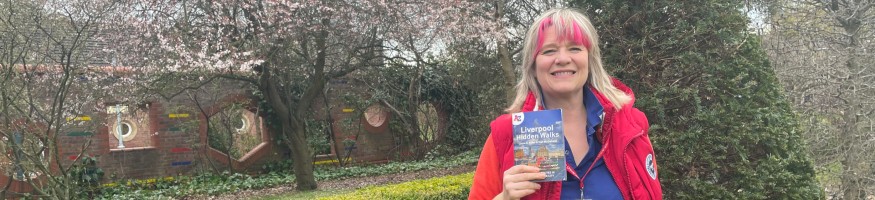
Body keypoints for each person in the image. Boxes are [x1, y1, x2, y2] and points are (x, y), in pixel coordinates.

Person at [469, 8, 663, 200]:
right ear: (533, 66)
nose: (562, 59)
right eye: (549, 50)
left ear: (590, 60)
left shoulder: (632, 126)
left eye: (575, 48)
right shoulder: (504, 136)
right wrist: (503, 198)